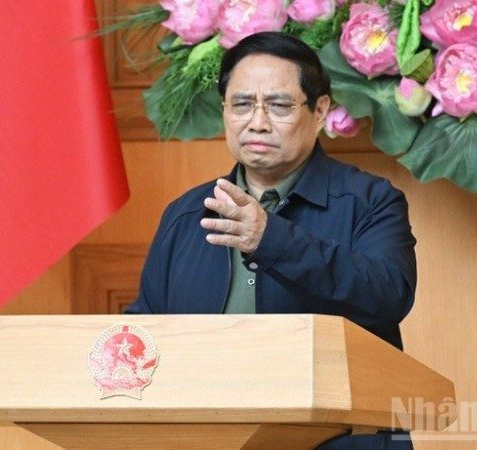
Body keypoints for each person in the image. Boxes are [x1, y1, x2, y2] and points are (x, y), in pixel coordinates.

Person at [125, 31, 416, 449]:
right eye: (242, 104)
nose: (257, 121)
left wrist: (272, 239)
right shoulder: (187, 214)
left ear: (319, 111)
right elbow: (146, 332)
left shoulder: (370, 201)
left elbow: (388, 298)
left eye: (278, 105)